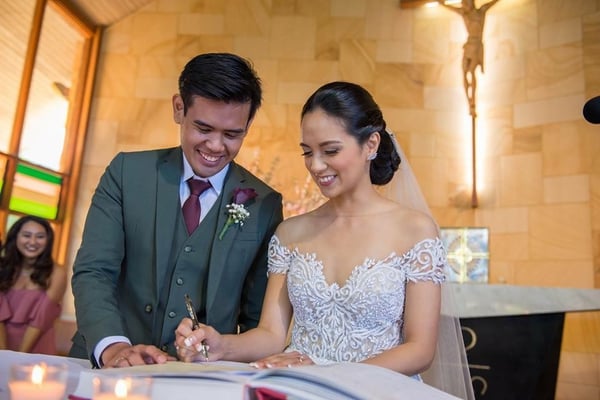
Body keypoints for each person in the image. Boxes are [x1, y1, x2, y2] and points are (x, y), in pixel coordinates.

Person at [175, 81, 475, 399]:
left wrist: (328, 375)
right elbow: (271, 334)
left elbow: (420, 349)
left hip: (378, 391)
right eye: (308, 152)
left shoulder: (415, 231)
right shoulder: (291, 233)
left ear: (371, 144)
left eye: (330, 151)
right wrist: (221, 345)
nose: (316, 166)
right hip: (301, 391)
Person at [69, 52, 284, 368]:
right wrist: (113, 348)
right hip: (107, 369)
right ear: (179, 108)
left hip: (202, 378)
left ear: (248, 125)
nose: (215, 146)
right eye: (203, 128)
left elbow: (257, 319)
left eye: (231, 134)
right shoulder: (127, 173)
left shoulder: (264, 203)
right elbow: (94, 271)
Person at [0, 215, 66, 354]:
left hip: (37, 346)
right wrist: (4, 353)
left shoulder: (57, 273)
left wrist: (20, 355)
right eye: (27, 235)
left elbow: (41, 319)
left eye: (40, 237)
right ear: (15, 237)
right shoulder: (3, 268)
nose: (33, 241)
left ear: (48, 241)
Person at [438, 0, 500, 117]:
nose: (463, 5)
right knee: (464, 71)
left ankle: (473, 101)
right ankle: (469, 100)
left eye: (465, 3)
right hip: (468, 45)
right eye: (463, 4)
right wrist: (443, 4)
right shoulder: (463, 13)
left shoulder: (481, 12)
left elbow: (492, 3)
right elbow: (452, 8)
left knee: (471, 71)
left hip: (476, 45)